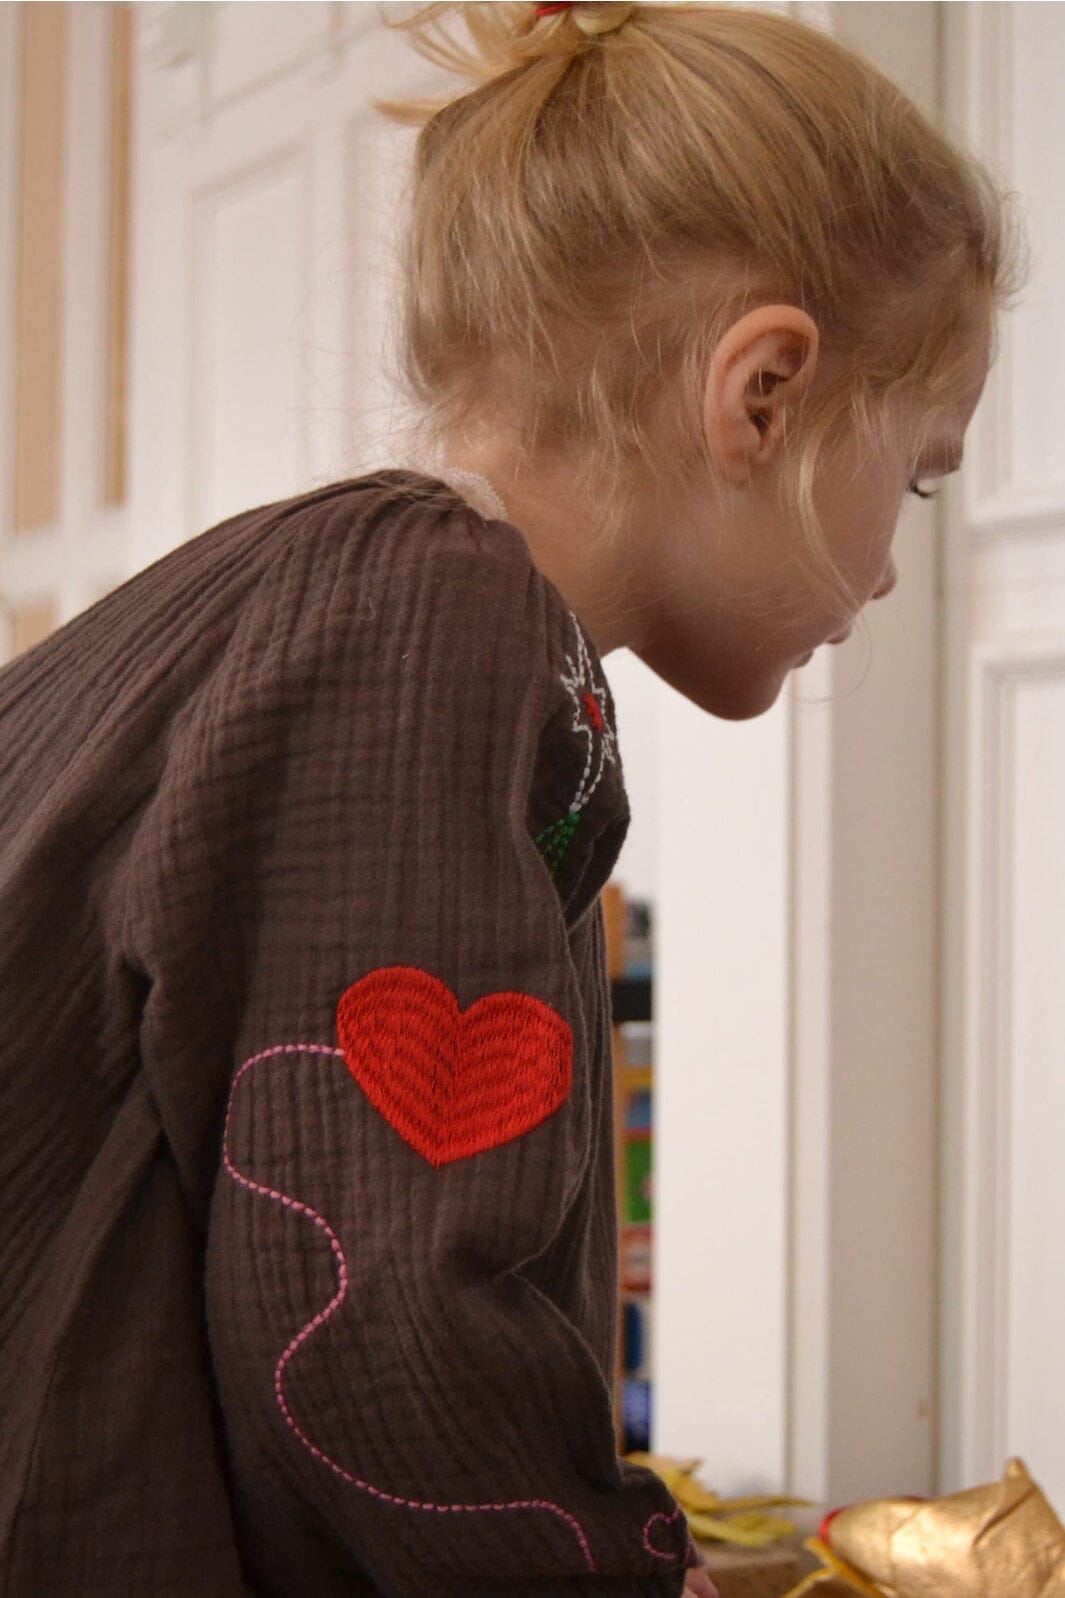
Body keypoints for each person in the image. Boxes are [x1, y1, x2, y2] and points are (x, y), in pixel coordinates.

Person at [0, 4, 1027, 1596]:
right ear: (761, 393)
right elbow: (370, 1312)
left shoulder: (328, 596)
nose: (892, 565)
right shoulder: (428, 624)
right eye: (912, 474)